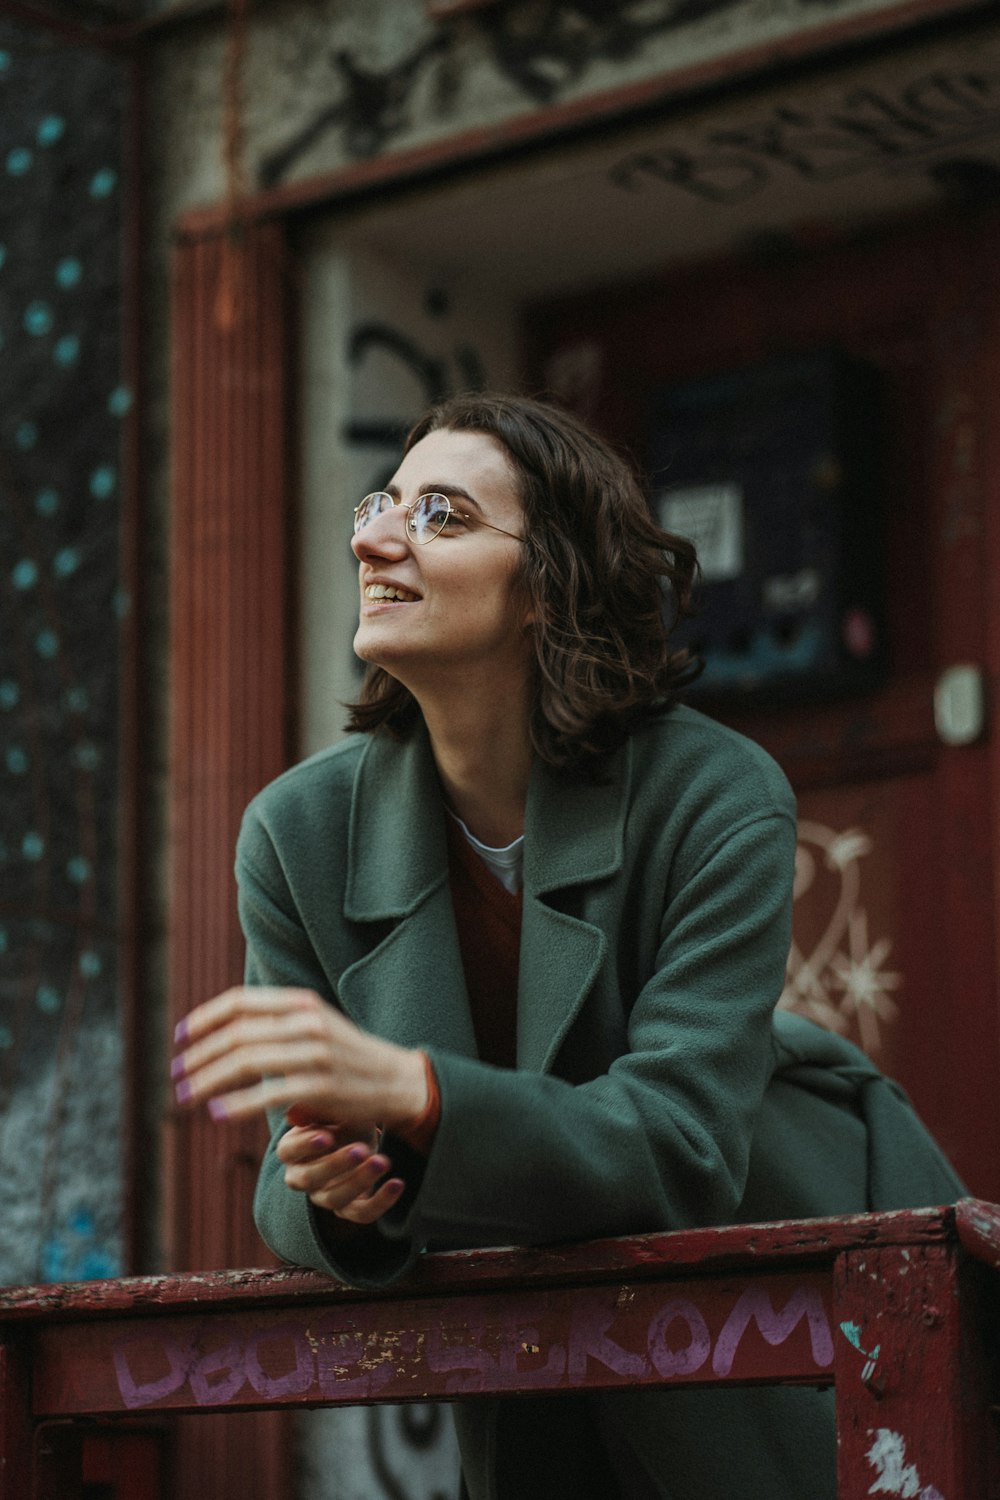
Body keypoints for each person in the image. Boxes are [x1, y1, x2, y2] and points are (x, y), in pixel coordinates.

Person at [172, 392, 963, 1500]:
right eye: (379, 503)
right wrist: (332, 1196)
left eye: (440, 515)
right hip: (534, 1358)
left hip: (807, 1311)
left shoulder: (717, 795)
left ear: (549, 584)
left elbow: (681, 1147)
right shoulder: (295, 834)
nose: (372, 536)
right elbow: (282, 1181)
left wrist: (414, 1094)